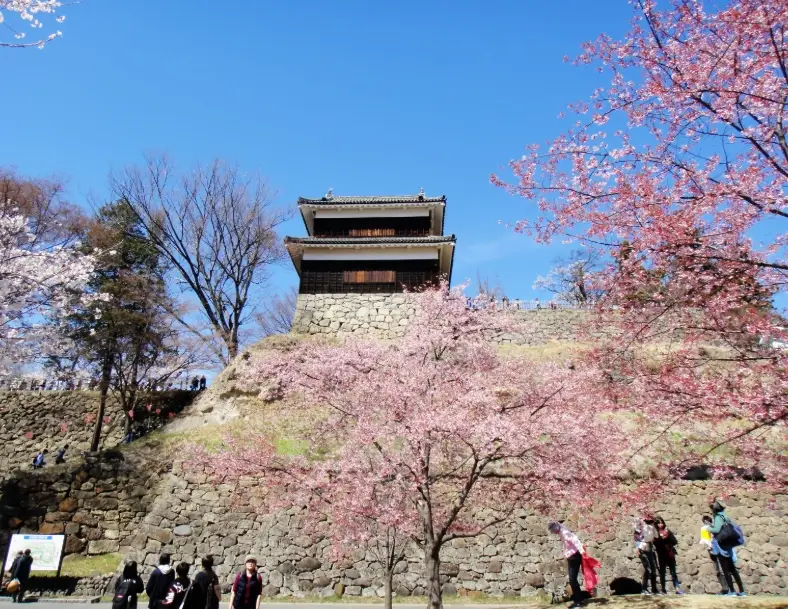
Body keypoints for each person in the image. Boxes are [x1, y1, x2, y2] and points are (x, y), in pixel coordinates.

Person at [707, 500, 746, 596]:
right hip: (728, 545)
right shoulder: (725, 516)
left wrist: (708, 528)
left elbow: (716, 529)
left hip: (721, 546)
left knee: (725, 569)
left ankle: (731, 591)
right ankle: (741, 591)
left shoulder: (717, 517)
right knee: (732, 569)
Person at [548, 521, 584, 609]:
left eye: (552, 530)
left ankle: (578, 602)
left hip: (575, 555)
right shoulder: (561, 531)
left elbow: (575, 539)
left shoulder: (564, 532)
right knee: (572, 579)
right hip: (571, 556)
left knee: (572, 579)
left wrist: (582, 550)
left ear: (555, 528)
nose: (553, 532)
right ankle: (579, 599)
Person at [653, 516, 683, 594]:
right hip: (661, 555)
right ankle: (663, 589)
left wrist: (668, 536)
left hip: (670, 554)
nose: (661, 524)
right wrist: (661, 538)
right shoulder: (655, 534)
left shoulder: (667, 531)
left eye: (662, 522)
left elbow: (675, 541)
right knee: (662, 573)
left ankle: (677, 588)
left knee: (673, 572)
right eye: (659, 523)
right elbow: (656, 544)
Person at [700, 514, 729, 594]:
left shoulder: (712, 528)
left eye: (707, 521)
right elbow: (705, 539)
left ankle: (727, 588)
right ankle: (726, 588)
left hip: (716, 549)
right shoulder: (707, 528)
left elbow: (704, 540)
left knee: (721, 569)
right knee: (718, 569)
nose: (706, 523)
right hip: (714, 549)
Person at [634, 516, 658, 595]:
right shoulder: (641, 526)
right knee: (648, 569)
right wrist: (637, 548)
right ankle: (644, 589)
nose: (649, 522)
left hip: (650, 548)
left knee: (653, 568)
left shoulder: (651, 527)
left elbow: (656, 536)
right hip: (642, 548)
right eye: (648, 521)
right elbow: (637, 537)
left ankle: (654, 589)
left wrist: (653, 526)